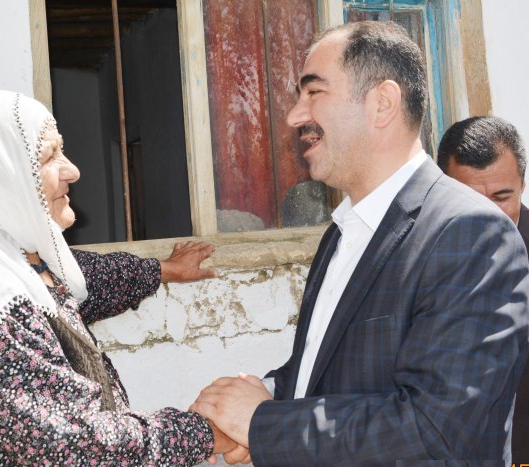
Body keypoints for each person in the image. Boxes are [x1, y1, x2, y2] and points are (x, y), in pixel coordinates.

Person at [191, 21, 529, 464]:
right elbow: (327, 372)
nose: (295, 116)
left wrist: (262, 423)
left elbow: (436, 429)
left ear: (382, 103)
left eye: (314, 92)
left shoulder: (471, 232)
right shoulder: (343, 231)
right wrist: (260, 396)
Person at [0, 90, 241, 465]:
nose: (73, 171)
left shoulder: (6, 258)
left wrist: (163, 270)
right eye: (48, 156)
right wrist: (206, 433)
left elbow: (82, 281)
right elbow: (71, 446)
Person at [437, 115, 529, 462]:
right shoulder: (414, 256)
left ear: (523, 184)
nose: (491, 215)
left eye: (502, 197)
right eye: (470, 198)